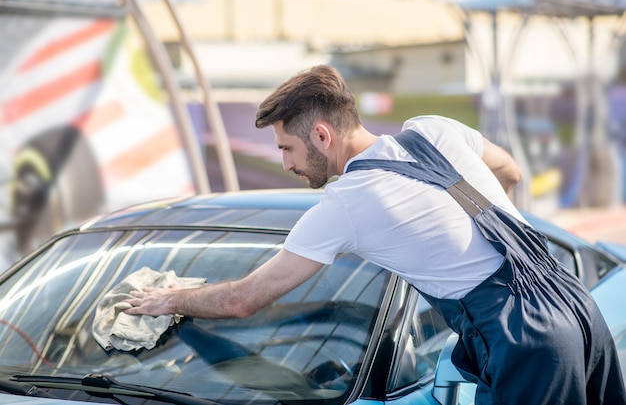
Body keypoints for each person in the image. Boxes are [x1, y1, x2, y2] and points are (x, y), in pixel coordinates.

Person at [126, 65, 626, 404]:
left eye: (287, 149)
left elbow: (245, 299)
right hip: (578, 307)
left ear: (322, 135)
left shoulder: (346, 203)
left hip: (528, 342)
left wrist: (171, 300)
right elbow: (509, 170)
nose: (285, 164)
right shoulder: (432, 128)